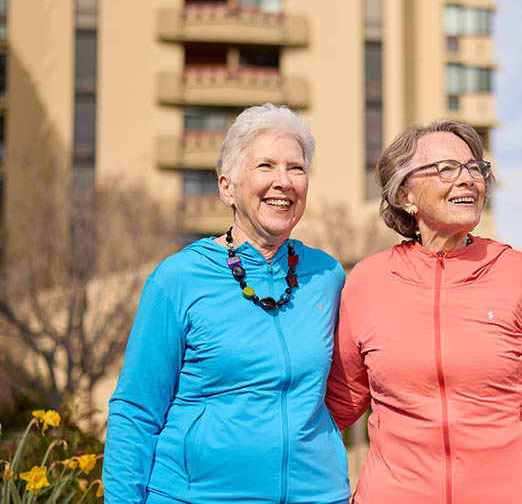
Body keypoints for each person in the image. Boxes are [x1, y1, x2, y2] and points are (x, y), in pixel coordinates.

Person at [327, 121, 522, 504]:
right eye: (446, 168)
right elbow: (339, 403)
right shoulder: (367, 281)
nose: (467, 179)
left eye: (475, 168)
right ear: (404, 194)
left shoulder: (520, 273)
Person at [103, 104, 349, 504]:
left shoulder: (327, 277)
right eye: (265, 166)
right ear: (226, 187)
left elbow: (346, 388)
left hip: (318, 495)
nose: (283, 182)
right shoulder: (178, 279)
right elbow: (135, 411)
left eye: (297, 168)